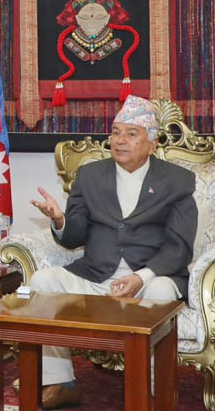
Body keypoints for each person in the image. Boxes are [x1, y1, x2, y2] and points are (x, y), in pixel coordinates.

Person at [29, 95, 197, 409]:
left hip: (148, 277)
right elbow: (74, 237)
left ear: (152, 144)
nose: (120, 141)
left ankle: (151, 389)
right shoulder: (90, 175)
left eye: (131, 134)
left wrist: (140, 277)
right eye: (116, 133)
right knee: (42, 282)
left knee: (161, 290)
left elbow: (180, 246)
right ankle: (60, 383)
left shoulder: (177, 181)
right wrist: (60, 219)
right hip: (96, 275)